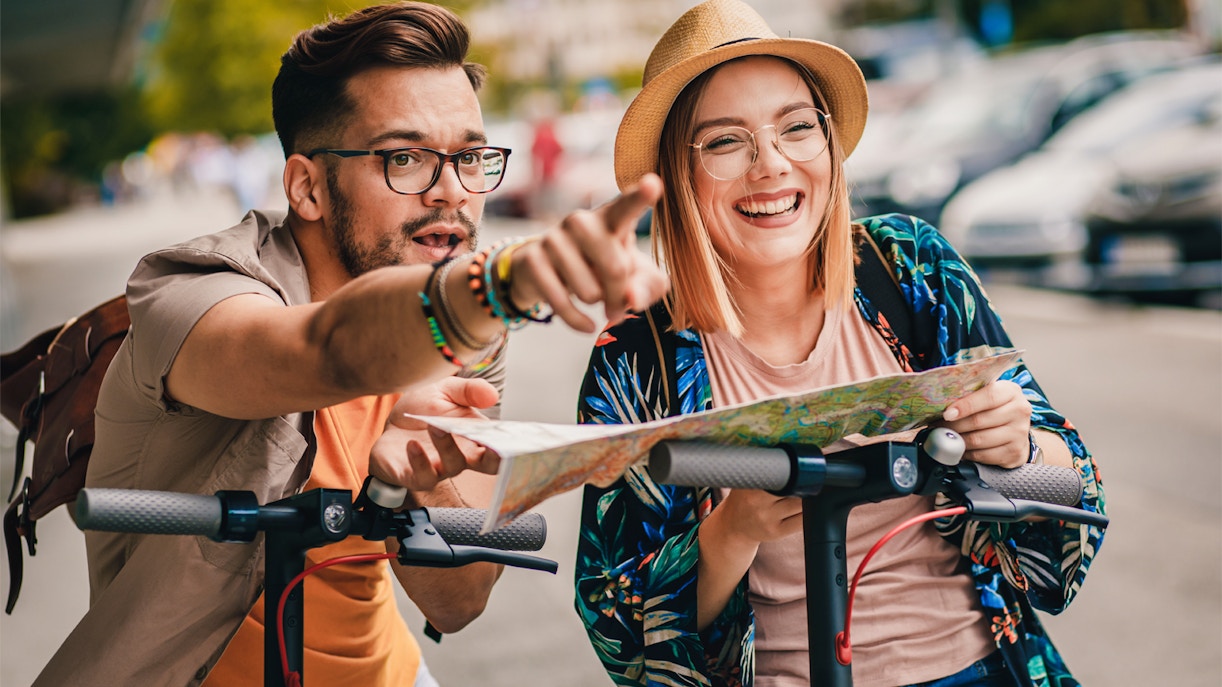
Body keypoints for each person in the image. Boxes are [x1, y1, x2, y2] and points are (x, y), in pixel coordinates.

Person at [35, 3, 667, 686]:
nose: (452, 193)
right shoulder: (191, 292)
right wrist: (499, 284)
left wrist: (408, 486)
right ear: (306, 187)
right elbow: (326, 349)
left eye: (469, 157)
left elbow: (461, 600)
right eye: (405, 158)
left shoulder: (464, 325)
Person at [573, 1, 1106, 686]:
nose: (771, 165)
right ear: (678, 178)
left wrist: (1023, 450)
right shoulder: (636, 360)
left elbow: (1074, 498)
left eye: (797, 127)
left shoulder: (911, 270)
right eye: (726, 142)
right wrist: (733, 530)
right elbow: (619, 631)